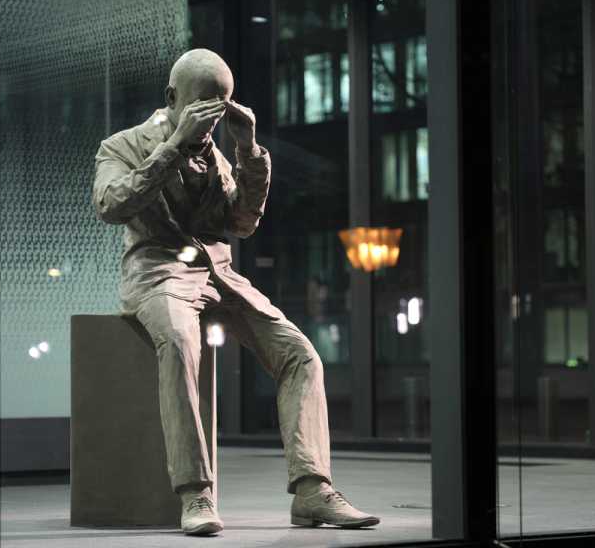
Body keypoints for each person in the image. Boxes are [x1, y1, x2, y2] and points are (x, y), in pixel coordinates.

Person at [91, 48, 380, 536]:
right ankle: (195, 493)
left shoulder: (216, 154)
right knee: (182, 344)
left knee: (301, 355)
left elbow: (242, 223)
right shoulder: (122, 145)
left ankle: (312, 489)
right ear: (172, 98)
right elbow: (110, 204)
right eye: (200, 105)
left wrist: (247, 150)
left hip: (219, 275)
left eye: (219, 107)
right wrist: (174, 148)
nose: (208, 120)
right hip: (158, 272)